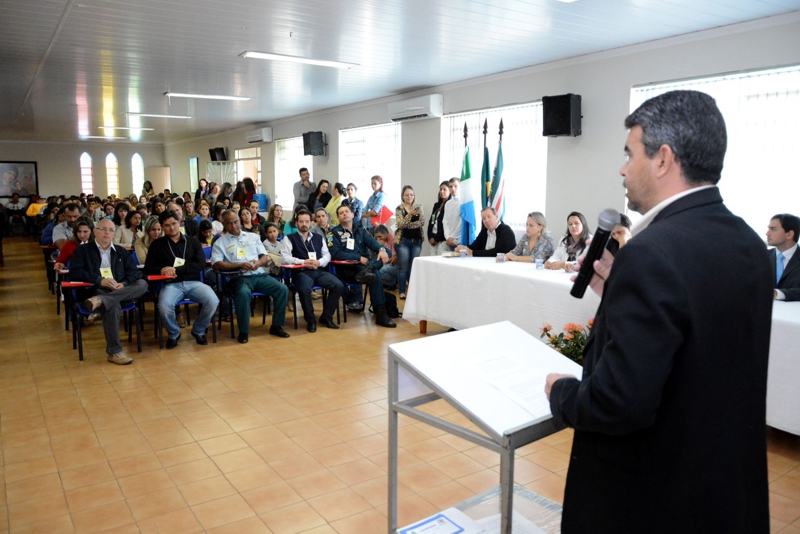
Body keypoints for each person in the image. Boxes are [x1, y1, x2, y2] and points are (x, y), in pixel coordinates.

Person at [545, 90, 772, 533]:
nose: (623, 168)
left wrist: (563, 394)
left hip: (652, 500)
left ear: (663, 159)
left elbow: (618, 404)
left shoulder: (652, 254)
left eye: (630, 153)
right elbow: (702, 343)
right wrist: (621, 293)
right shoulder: (747, 243)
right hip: (721, 492)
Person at [69, 219, 148, 365]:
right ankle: (114, 352)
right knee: (112, 305)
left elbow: (134, 273)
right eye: (103, 229)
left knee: (142, 283)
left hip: (121, 292)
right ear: (95, 231)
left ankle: (103, 300)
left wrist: (123, 284)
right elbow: (75, 272)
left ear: (114, 234)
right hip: (94, 291)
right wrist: (99, 280)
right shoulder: (83, 250)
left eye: (111, 230)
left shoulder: (121, 252)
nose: (107, 232)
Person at [211, 210, 289, 342]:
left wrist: (258, 263)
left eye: (236, 221)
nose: (234, 225)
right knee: (243, 293)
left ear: (239, 221)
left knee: (282, 289)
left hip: (259, 275)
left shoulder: (253, 237)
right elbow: (216, 264)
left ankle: (276, 326)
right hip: (238, 278)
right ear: (224, 224)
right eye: (229, 223)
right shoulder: (220, 243)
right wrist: (239, 265)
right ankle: (244, 331)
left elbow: (264, 257)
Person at [144, 211, 219, 348]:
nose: (171, 228)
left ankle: (198, 330)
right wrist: (162, 270)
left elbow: (201, 264)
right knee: (164, 307)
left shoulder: (193, 242)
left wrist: (178, 270)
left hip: (194, 283)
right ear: (162, 227)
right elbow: (148, 268)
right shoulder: (157, 245)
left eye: (174, 223)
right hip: (171, 285)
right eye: (166, 225)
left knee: (213, 300)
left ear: (180, 223)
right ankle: (174, 333)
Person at [328, 204, 396, 328]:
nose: (344, 214)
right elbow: (335, 253)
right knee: (375, 275)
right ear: (338, 218)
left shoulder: (361, 231)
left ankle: (370, 270)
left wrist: (381, 249)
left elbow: (374, 244)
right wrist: (358, 258)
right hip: (347, 270)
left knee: (387, 252)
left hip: (364, 268)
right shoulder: (333, 233)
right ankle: (381, 314)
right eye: (341, 213)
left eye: (347, 211)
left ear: (353, 215)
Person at [279, 209, 343, 332]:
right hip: (301, 272)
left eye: (307, 221)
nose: (304, 224)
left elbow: (327, 255)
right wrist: (303, 262)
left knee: (338, 285)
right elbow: (284, 258)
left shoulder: (319, 238)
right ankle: (311, 320)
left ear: (311, 223)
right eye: (301, 221)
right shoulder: (289, 238)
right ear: (296, 223)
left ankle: (326, 317)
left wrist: (319, 262)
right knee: (304, 289)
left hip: (318, 270)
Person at [394, 186, 424, 299]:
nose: (409, 197)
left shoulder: (419, 207)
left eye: (411, 194)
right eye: (407, 195)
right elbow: (400, 224)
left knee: (413, 267)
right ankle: (402, 291)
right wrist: (410, 215)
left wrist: (408, 225)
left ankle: (412, 291)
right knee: (403, 267)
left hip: (417, 241)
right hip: (403, 242)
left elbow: (421, 222)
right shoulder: (399, 208)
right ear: (403, 196)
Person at [767, 213, 800, 301]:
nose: (767, 234)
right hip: (765, 313)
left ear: (789, 234)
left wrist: (777, 294)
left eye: (773, 229)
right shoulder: (762, 257)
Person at [427, 181, 451, 255]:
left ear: (450, 191)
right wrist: (430, 237)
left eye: (444, 189)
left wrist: (436, 239)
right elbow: (431, 221)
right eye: (440, 189)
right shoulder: (436, 205)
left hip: (442, 240)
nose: (441, 191)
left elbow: (446, 225)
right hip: (433, 239)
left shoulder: (450, 206)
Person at [374, 225, 398, 290]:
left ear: (386, 233)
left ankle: (392, 282)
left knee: (380, 271)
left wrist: (384, 260)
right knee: (374, 270)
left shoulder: (393, 239)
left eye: (380, 236)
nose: (379, 239)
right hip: (387, 264)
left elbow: (395, 258)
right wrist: (380, 246)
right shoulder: (382, 240)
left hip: (395, 265)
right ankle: (389, 282)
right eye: (377, 237)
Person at [442, 177, 462, 250]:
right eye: (450, 186)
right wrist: (448, 237)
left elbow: (461, 222)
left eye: (455, 186)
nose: (453, 188)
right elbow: (445, 221)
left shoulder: (463, 202)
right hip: (450, 241)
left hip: (460, 240)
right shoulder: (448, 203)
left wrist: (453, 237)